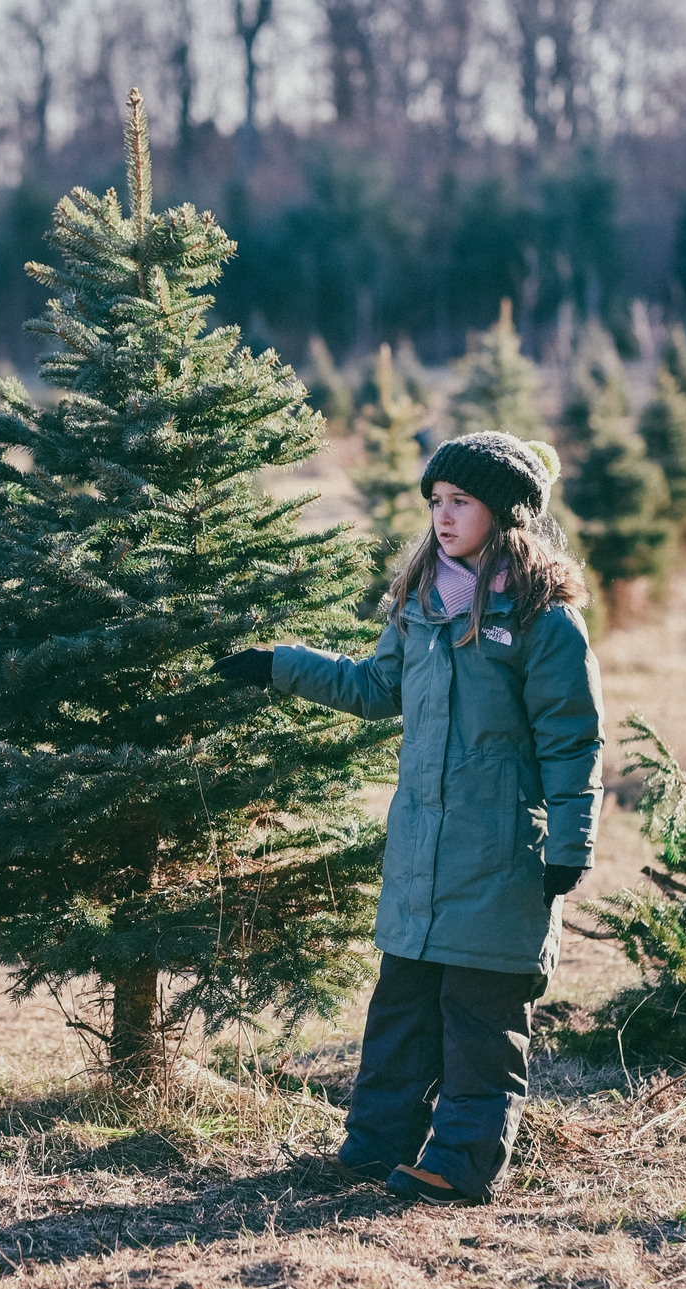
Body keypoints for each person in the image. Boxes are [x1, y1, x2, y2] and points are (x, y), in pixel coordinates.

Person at [215, 430, 603, 1206]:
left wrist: (572, 843)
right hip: (423, 862)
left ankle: (458, 1164)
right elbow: (371, 687)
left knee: (481, 1023)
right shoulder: (420, 607)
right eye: (436, 502)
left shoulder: (543, 621)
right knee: (400, 1012)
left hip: (500, 861)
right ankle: (374, 1149)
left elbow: (572, 739)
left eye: (461, 501)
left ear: (507, 512)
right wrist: (278, 664)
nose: (443, 516)